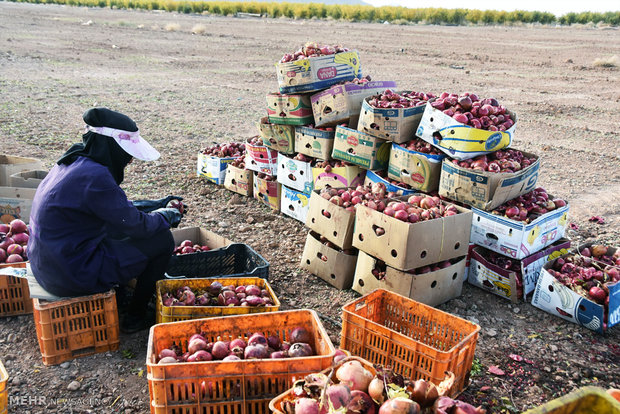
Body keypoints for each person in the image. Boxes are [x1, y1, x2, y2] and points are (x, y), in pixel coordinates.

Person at [28, 107, 184, 333]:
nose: (129, 160)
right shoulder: (96, 177)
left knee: (118, 231)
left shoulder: (73, 162)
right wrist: (165, 216)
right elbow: (137, 225)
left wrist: (156, 204)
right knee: (161, 241)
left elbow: (113, 209)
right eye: (126, 153)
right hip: (69, 274)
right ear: (112, 147)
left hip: (48, 264)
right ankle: (135, 317)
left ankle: (120, 293)